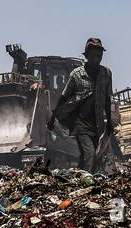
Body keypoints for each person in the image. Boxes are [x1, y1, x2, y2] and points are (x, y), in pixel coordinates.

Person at [48, 37, 115, 173]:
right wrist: (53, 117)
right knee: (89, 153)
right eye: (93, 56)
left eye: (99, 55)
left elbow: (108, 99)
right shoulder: (77, 75)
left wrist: (109, 122)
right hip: (80, 123)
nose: (96, 59)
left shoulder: (106, 74)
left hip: (98, 124)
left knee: (95, 156)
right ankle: (86, 180)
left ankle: (80, 178)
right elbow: (64, 97)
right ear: (87, 56)